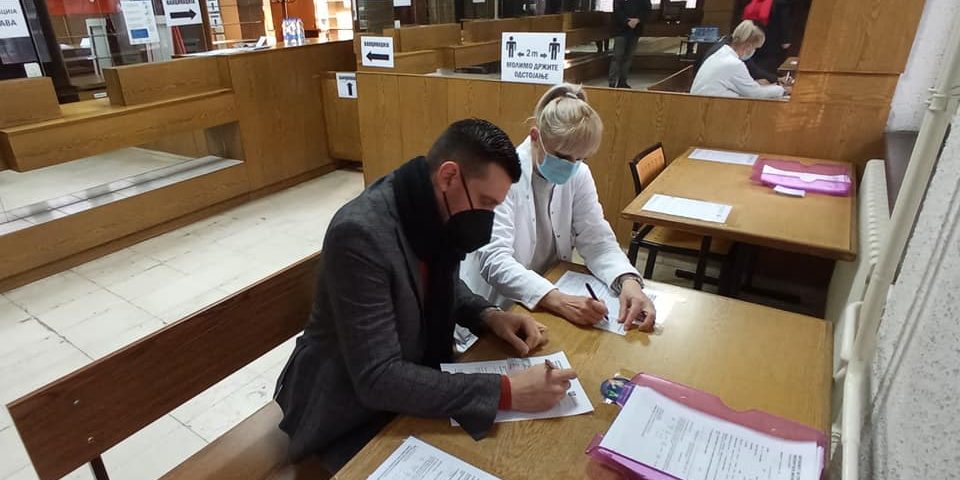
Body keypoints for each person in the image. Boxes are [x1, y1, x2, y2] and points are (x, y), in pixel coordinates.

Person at [274, 119, 579, 472]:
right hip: (345, 408)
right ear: (449, 176)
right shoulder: (360, 235)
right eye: (485, 202)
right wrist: (507, 391)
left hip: (408, 376)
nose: (487, 218)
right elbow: (378, 378)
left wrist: (489, 316)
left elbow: (439, 283)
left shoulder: (426, 206)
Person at [461, 84, 657, 333]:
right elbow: (495, 260)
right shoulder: (500, 175)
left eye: (581, 158)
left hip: (551, 291)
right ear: (535, 137)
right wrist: (558, 299)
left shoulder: (579, 174)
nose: (572, 166)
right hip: (499, 307)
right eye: (563, 157)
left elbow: (597, 239)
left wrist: (627, 281)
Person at [690, 20, 787, 99]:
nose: (754, 51)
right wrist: (782, 89)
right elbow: (756, 94)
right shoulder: (734, 63)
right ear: (748, 46)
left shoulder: (721, 53)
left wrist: (755, 84)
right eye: (755, 48)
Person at [742, 0, 795, 75]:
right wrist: (786, 39)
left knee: (753, 65)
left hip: (754, 37)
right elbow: (784, 19)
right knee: (767, 66)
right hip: (771, 39)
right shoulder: (781, 3)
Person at [608, 0, 652, 89]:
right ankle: (612, 82)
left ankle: (622, 82)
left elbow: (647, 9)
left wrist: (638, 19)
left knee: (628, 58)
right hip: (621, 30)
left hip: (635, 30)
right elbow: (617, 10)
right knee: (617, 56)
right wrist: (627, 21)